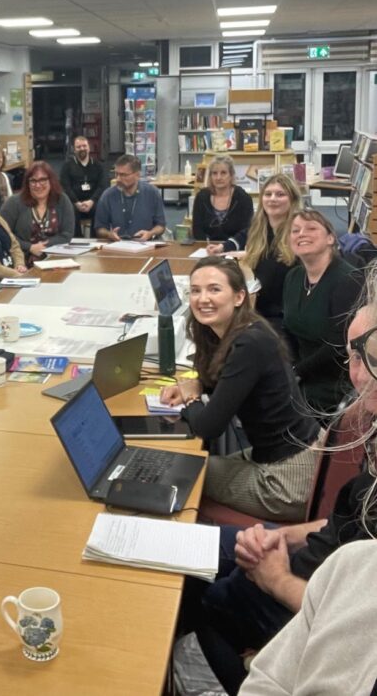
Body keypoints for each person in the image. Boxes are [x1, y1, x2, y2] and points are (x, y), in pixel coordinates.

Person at [192, 303, 377, 695]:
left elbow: (352, 616)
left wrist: (275, 578)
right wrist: (284, 535)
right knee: (200, 551)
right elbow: (346, 524)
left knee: (204, 600)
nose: (356, 375)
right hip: (307, 556)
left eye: (371, 358)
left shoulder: (251, 343)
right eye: (353, 357)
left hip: (306, 594)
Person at [160, 257, 319, 521]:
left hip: (285, 482)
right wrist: (199, 384)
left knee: (176, 468)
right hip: (291, 459)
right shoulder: (248, 329)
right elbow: (229, 379)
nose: (202, 299)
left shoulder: (249, 344)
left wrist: (191, 399)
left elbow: (208, 427)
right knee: (185, 461)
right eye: (195, 291)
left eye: (214, 289)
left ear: (238, 297)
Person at [239, 541, 377, 696]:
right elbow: (267, 681)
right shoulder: (355, 560)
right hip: (308, 574)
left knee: (220, 595)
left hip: (293, 594)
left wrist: (278, 579)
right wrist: (281, 538)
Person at [283, 208, 363, 415]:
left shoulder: (348, 280)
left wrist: (296, 372)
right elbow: (288, 329)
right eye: (295, 230)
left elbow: (338, 344)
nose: (301, 234)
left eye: (311, 228)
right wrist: (289, 366)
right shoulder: (293, 277)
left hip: (335, 381)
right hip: (302, 372)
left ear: (330, 238)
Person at [239, 173, 301, 332]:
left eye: (280, 194)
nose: (272, 199)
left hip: (282, 318)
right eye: (268, 194)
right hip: (258, 309)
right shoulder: (258, 230)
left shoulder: (299, 234)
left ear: (292, 200)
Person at [0, 160, 74, 262]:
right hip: (21, 262)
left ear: (51, 181)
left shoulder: (62, 200)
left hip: (56, 259)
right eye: (33, 181)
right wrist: (29, 247)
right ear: (27, 183)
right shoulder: (13, 203)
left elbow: (67, 234)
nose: (38, 185)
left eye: (43, 180)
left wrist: (44, 246)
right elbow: (3, 234)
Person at [94, 154, 166, 241]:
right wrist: (109, 234)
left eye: (123, 175)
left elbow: (161, 226)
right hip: (118, 245)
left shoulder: (152, 193)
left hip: (146, 244)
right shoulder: (107, 195)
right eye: (116, 174)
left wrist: (150, 233)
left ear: (137, 175)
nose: (118, 179)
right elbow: (99, 228)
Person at [192, 155, 254, 252]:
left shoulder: (243, 198)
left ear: (231, 175)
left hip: (235, 249)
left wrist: (226, 247)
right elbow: (197, 229)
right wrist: (207, 247)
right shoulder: (202, 197)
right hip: (207, 250)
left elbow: (247, 230)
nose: (218, 177)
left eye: (223, 173)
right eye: (214, 173)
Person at [59, 134, 106, 237]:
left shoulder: (98, 166)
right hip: (74, 202)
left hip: (93, 201)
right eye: (78, 147)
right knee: (70, 209)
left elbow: (102, 186)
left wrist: (91, 201)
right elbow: (65, 186)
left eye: (84, 146)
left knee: (100, 209)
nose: (82, 149)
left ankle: (95, 240)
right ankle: (77, 240)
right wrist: (76, 202)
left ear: (89, 147)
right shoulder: (67, 166)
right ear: (74, 149)